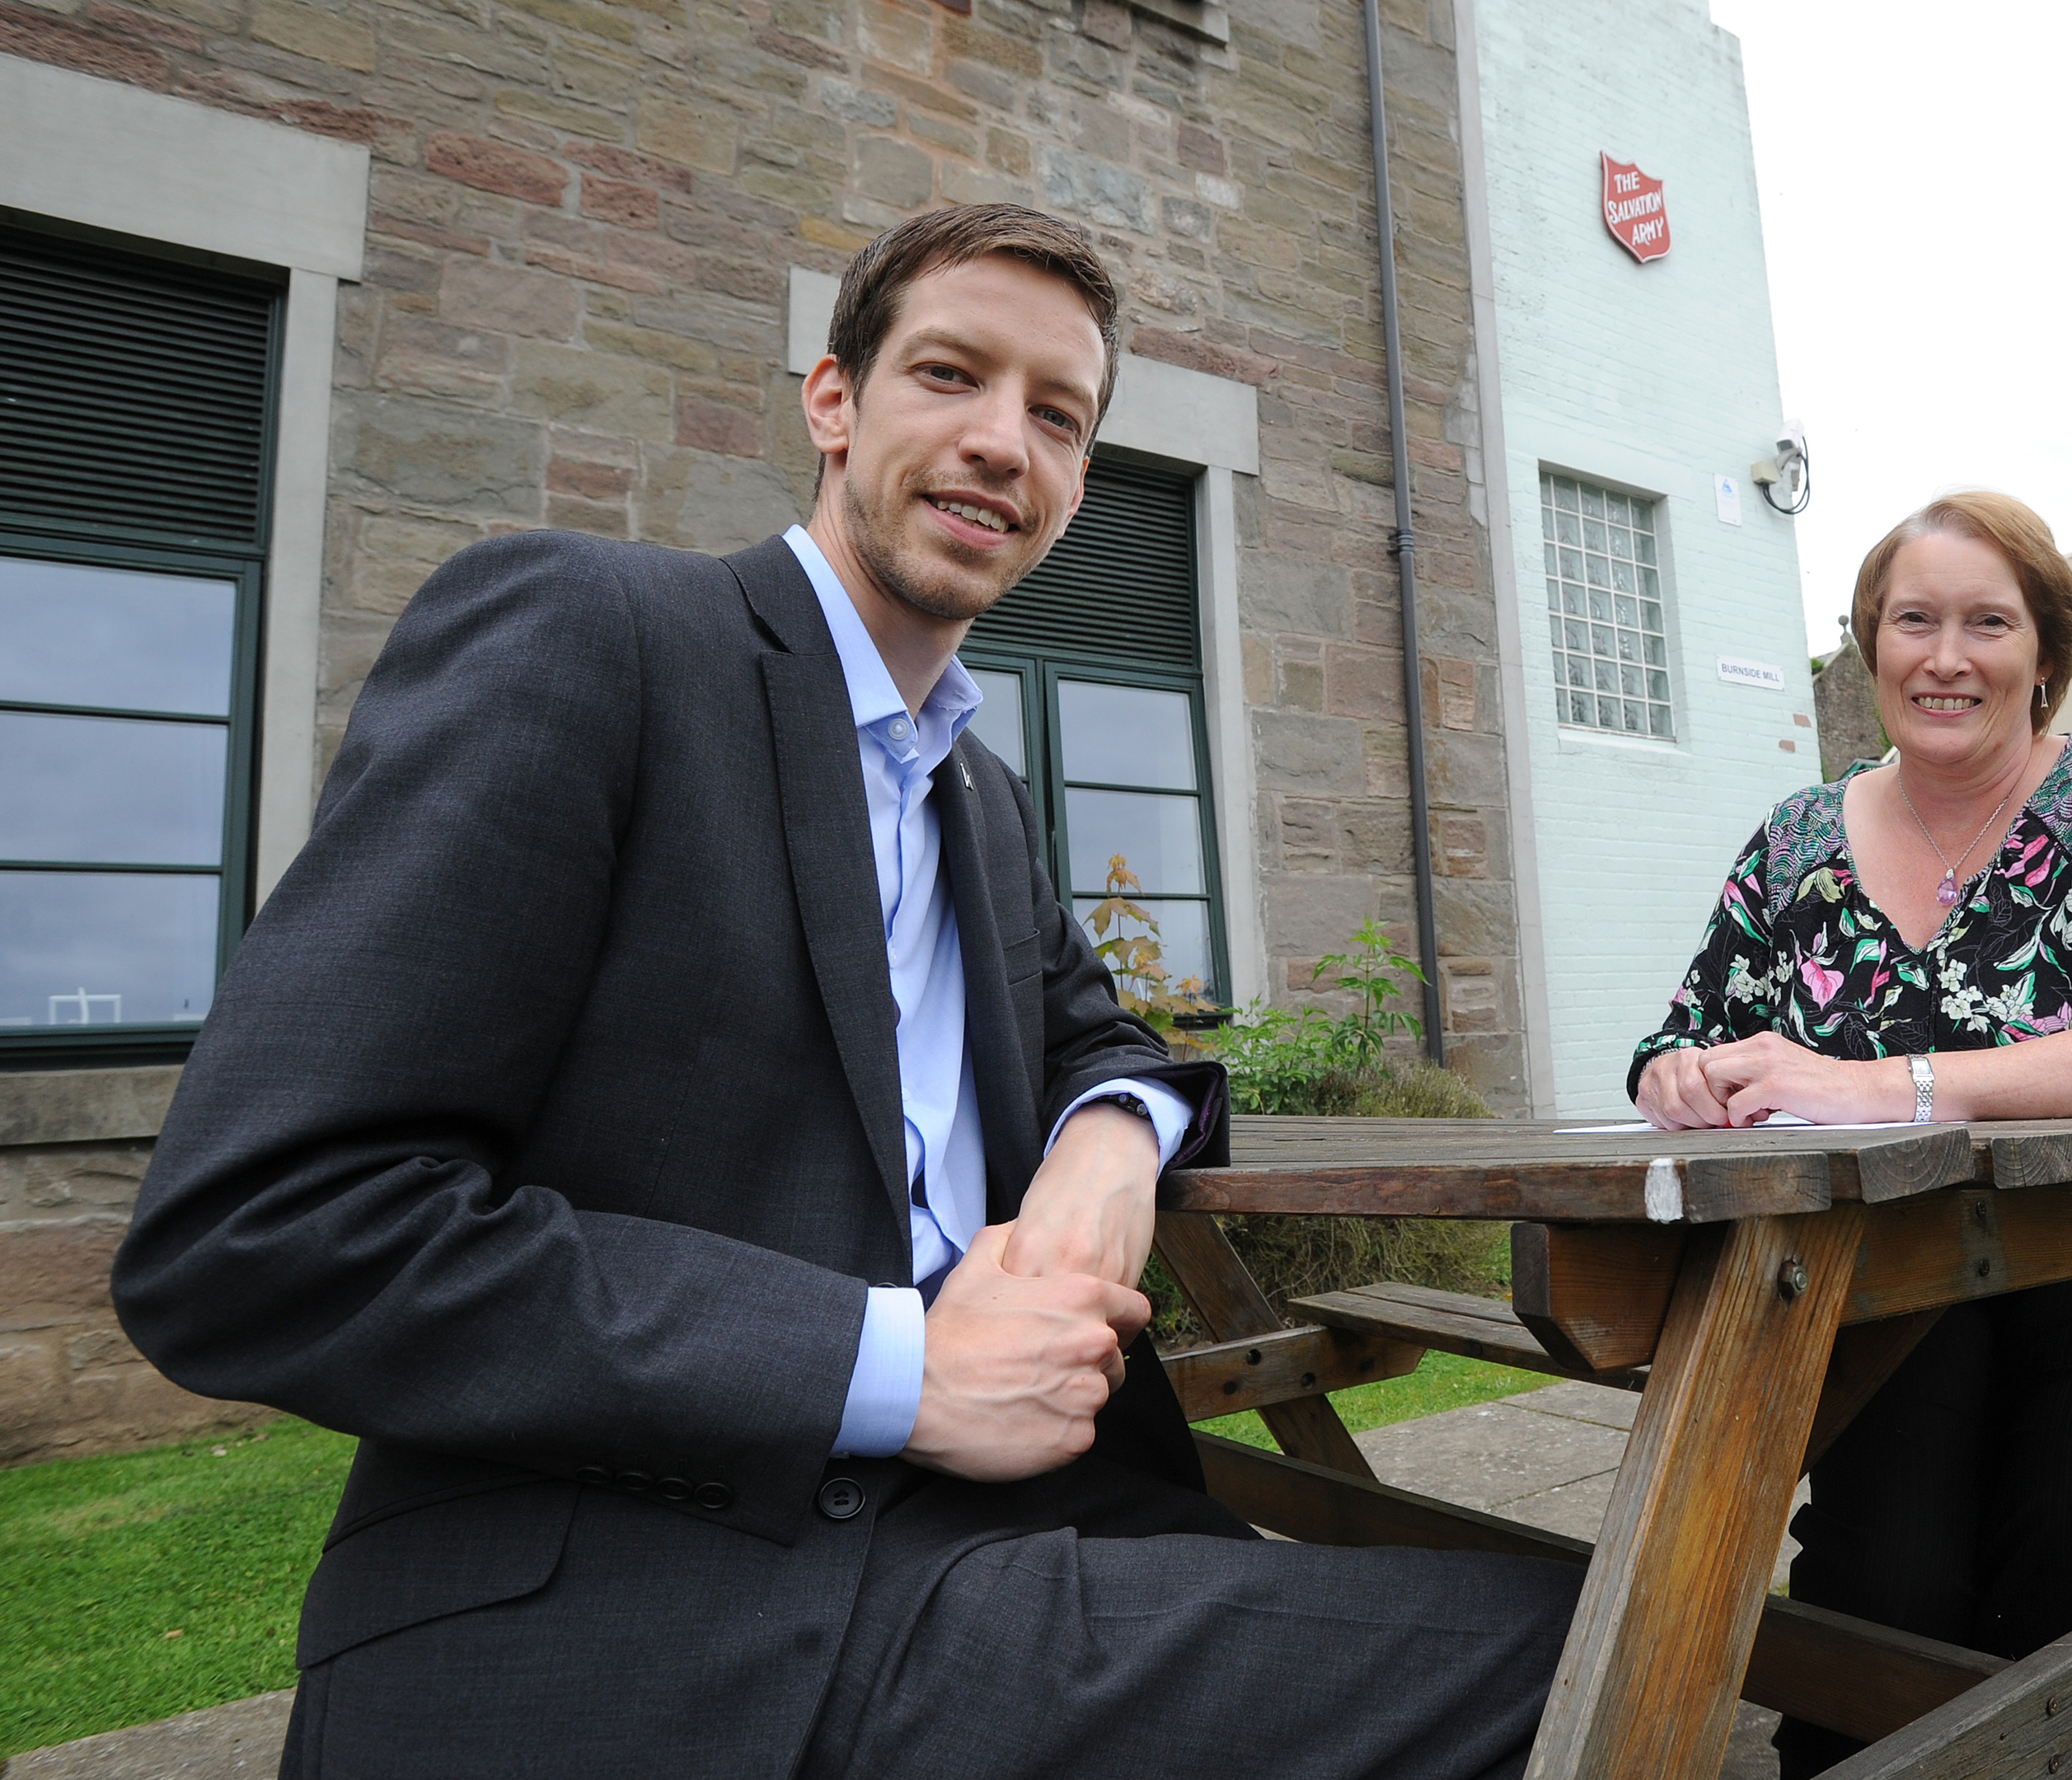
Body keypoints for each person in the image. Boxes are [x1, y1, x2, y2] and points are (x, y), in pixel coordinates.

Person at [112, 205, 1577, 1780]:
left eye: (1059, 418)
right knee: (1601, 1659)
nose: (1003, 443)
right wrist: (895, 1367)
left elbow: (1106, 1038)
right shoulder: (589, 636)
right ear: (831, 400)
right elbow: (258, 1235)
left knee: (1623, 1614)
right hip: (649, 1599)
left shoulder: (972, 788)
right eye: (950, 374)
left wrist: (1106, 1143)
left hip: (1001, 1533)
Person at [1628, 491, 2072, 1779]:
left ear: (2042, 652)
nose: (1947, 656)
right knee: (1876, 1575)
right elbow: (1675, 1036)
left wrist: (1882, 1084)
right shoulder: (1793, 841)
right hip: (1904, 1274)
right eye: (1913, 621)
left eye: (1986, 622)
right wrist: (1680, 1075)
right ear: (1872, 644)